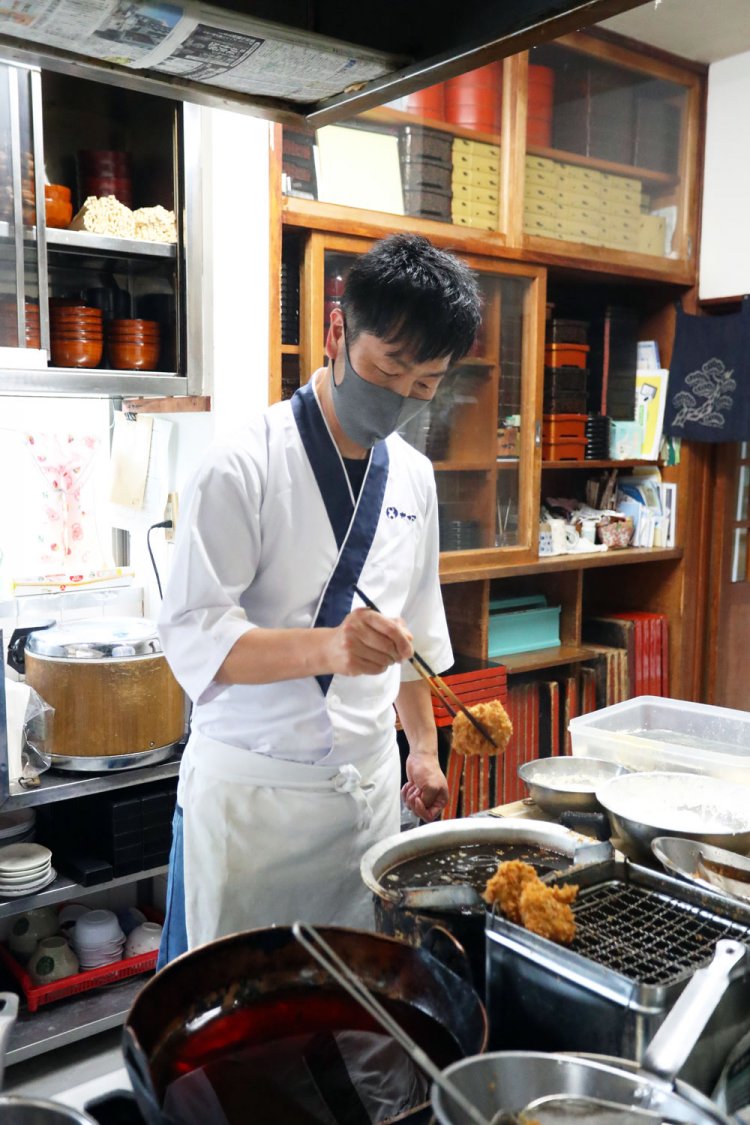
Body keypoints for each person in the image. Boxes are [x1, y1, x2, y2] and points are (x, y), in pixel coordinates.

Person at [156, 233, 481, 966]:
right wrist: (335, 646)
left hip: (362, 805)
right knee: (233, 1026)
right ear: (337, 331)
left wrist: (423, 752)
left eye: (424, 385)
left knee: (349, 1010)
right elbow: (196, 639)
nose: (399, 398)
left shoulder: (416, 479)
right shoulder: (242, 464)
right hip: (251, 803)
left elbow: (415, 641)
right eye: (386, 368)